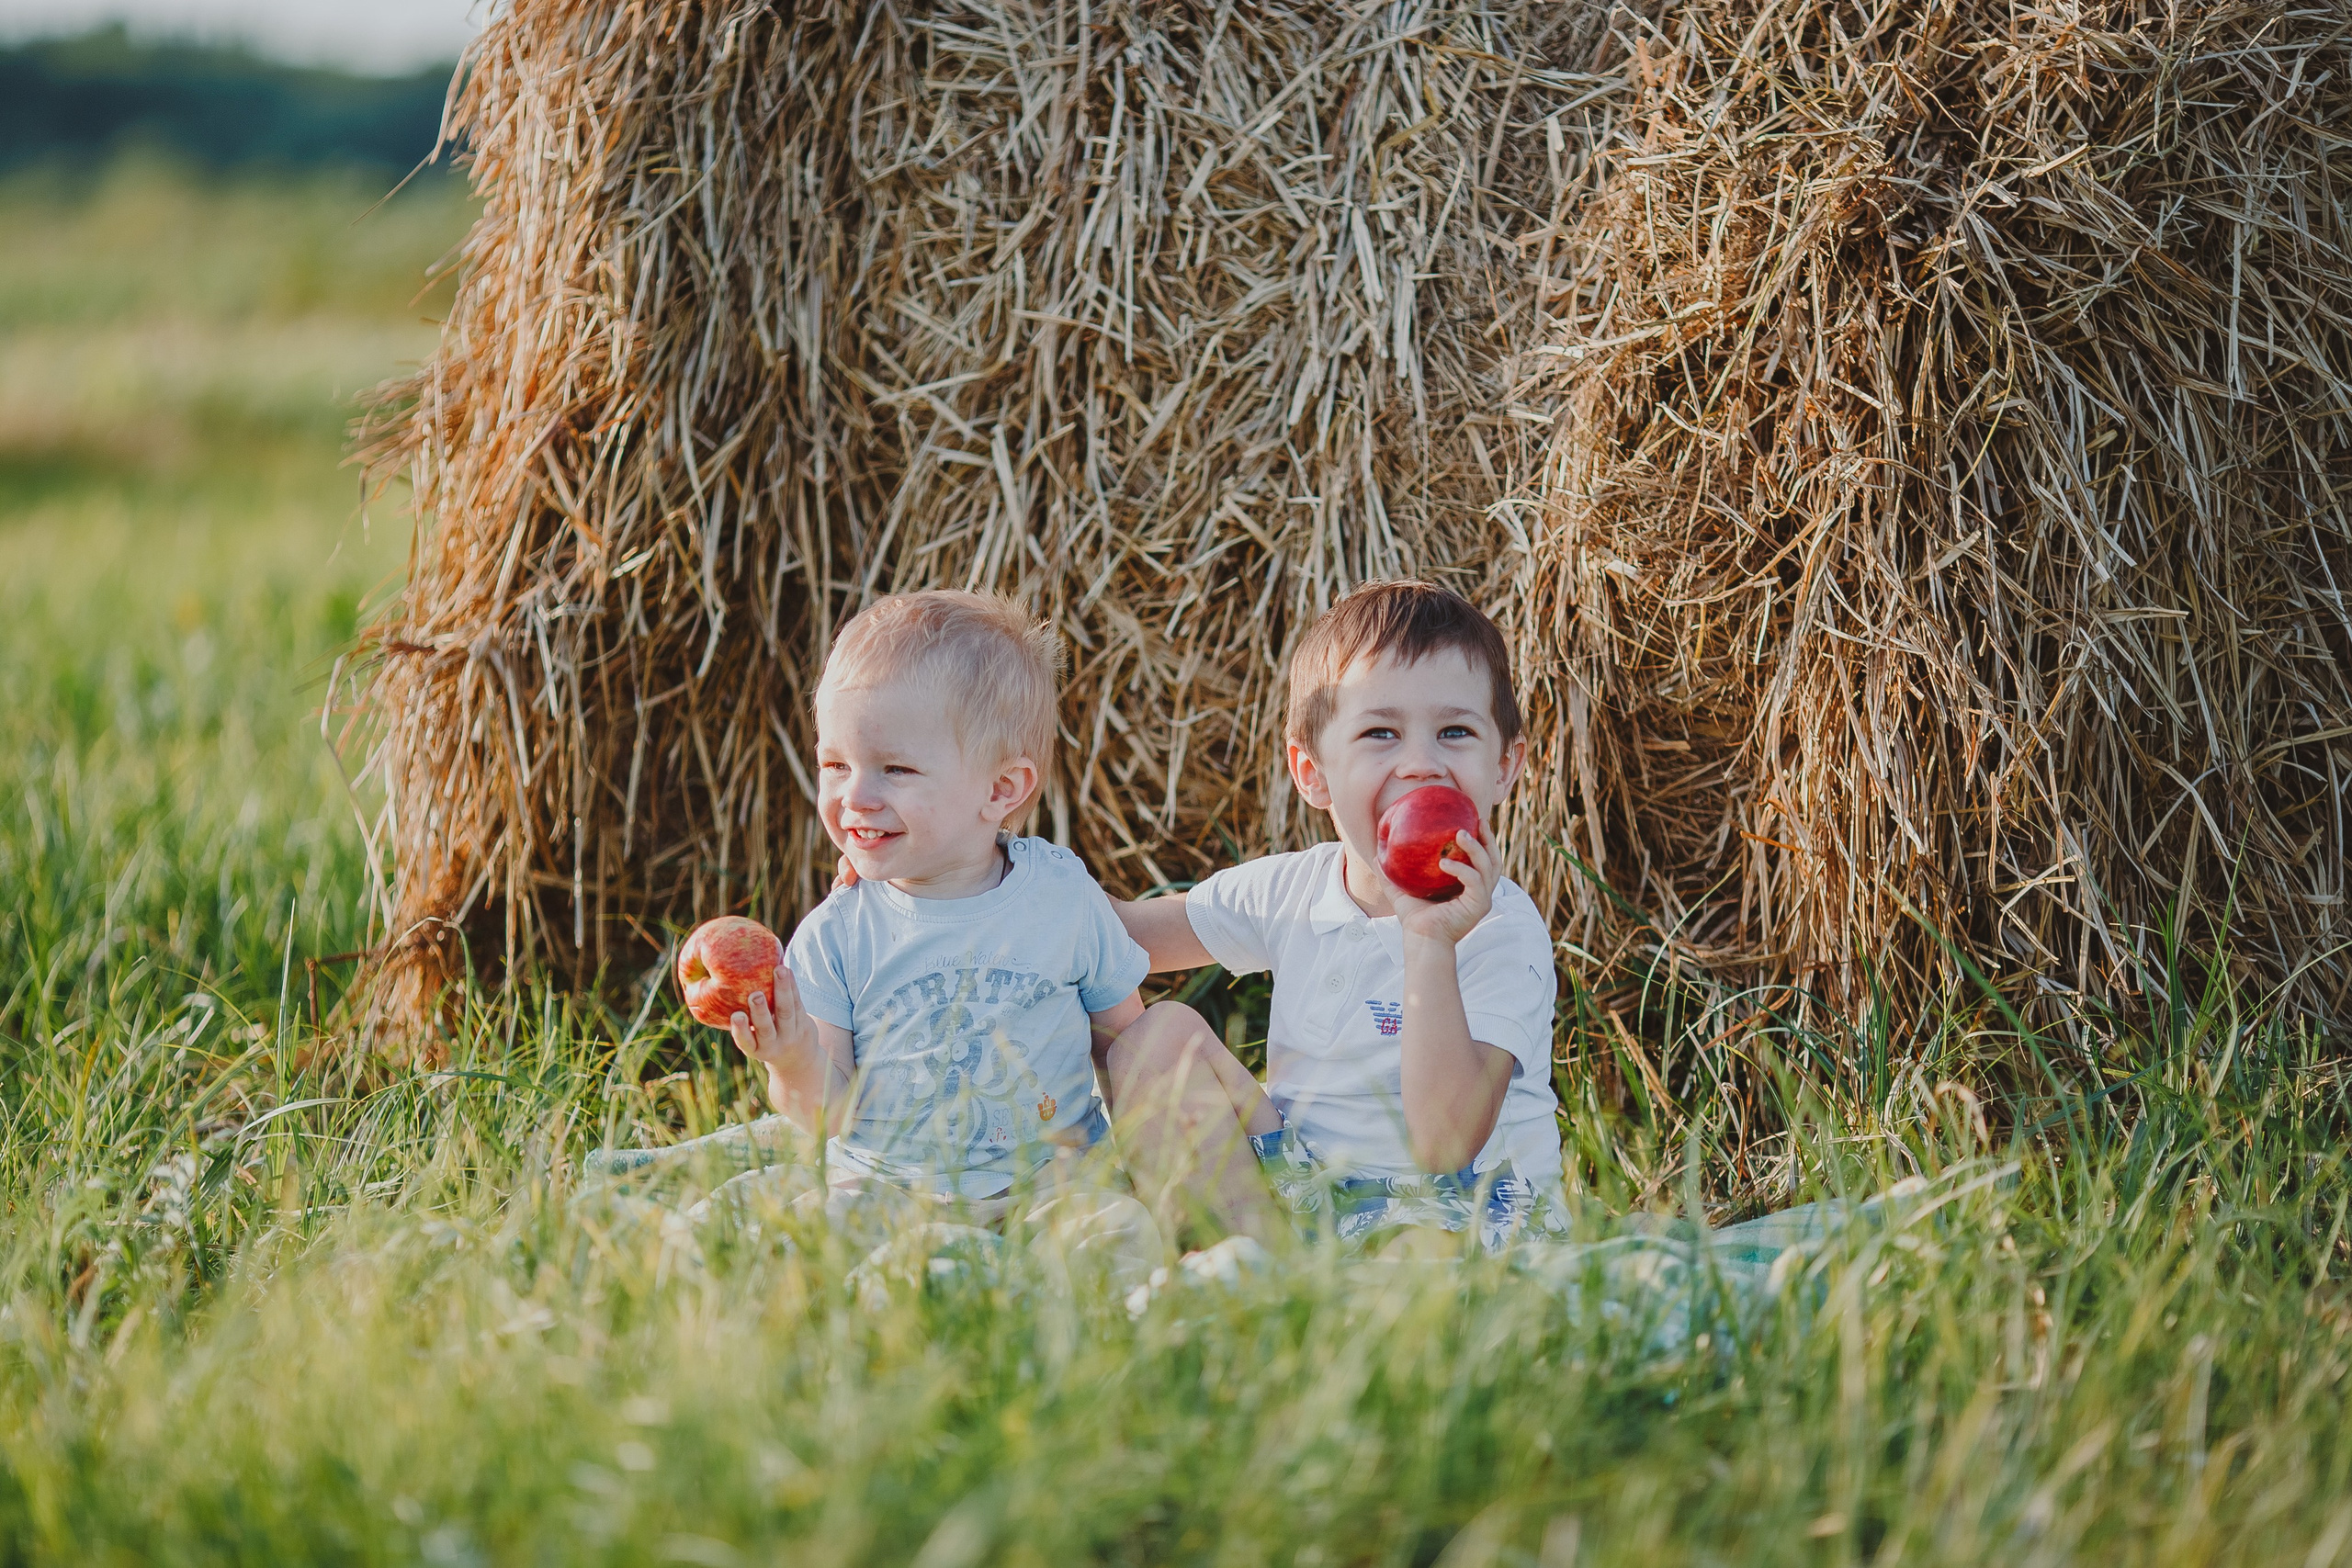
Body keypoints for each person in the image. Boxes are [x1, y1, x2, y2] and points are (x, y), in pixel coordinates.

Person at [642, 589, 1168, 1282]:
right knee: (763, 1229)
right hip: (890, 1193)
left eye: (895, 768)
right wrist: (792, 1057)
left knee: (1122, 1234)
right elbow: (827, 1115)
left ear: (1002, 788)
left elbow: (1126, 1043)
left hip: (1050, 1186)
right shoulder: (836, 935)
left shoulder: (1062, 896)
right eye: (835, 764)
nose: (855, 795)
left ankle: (1012, 1285)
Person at [1101, 580, 1566, 1252]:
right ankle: (1249, 1268)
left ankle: (1343, 1303)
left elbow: (1445, 1142)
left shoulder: (1500, 930)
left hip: (1463, 1214)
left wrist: (1429, 941)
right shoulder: (1291, 889)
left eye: (1455, 732)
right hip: (1313, 1197)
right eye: (1381, 732)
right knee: (1157, 1038)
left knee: (1415, 1256)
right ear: (1312, 771)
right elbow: (1116, 937)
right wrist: (996, 862)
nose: (1420, 763)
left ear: (1504, 766)